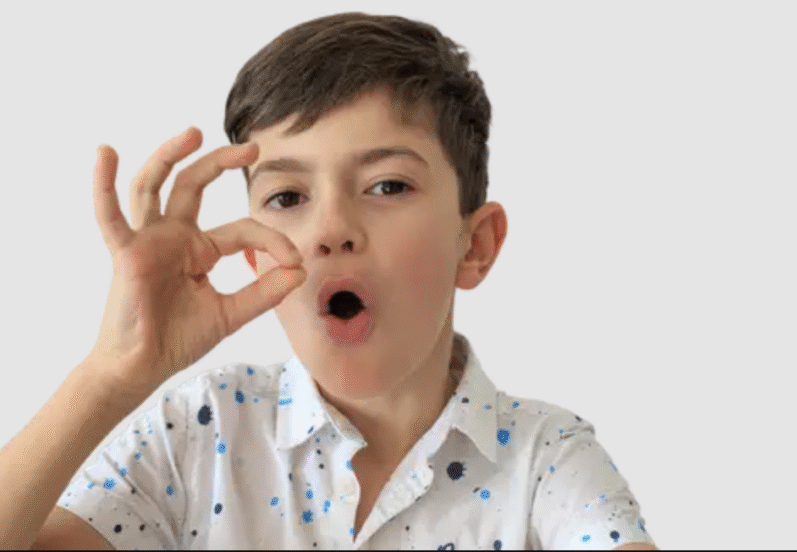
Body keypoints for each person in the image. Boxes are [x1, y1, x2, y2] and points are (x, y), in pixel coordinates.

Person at [2, 11, 657, 550]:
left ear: (475, 244)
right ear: (256, 254)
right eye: (288, 197)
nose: (332, 228)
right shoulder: (200, 435)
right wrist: (112, 374)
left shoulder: (547, 462)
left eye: (387, 185)